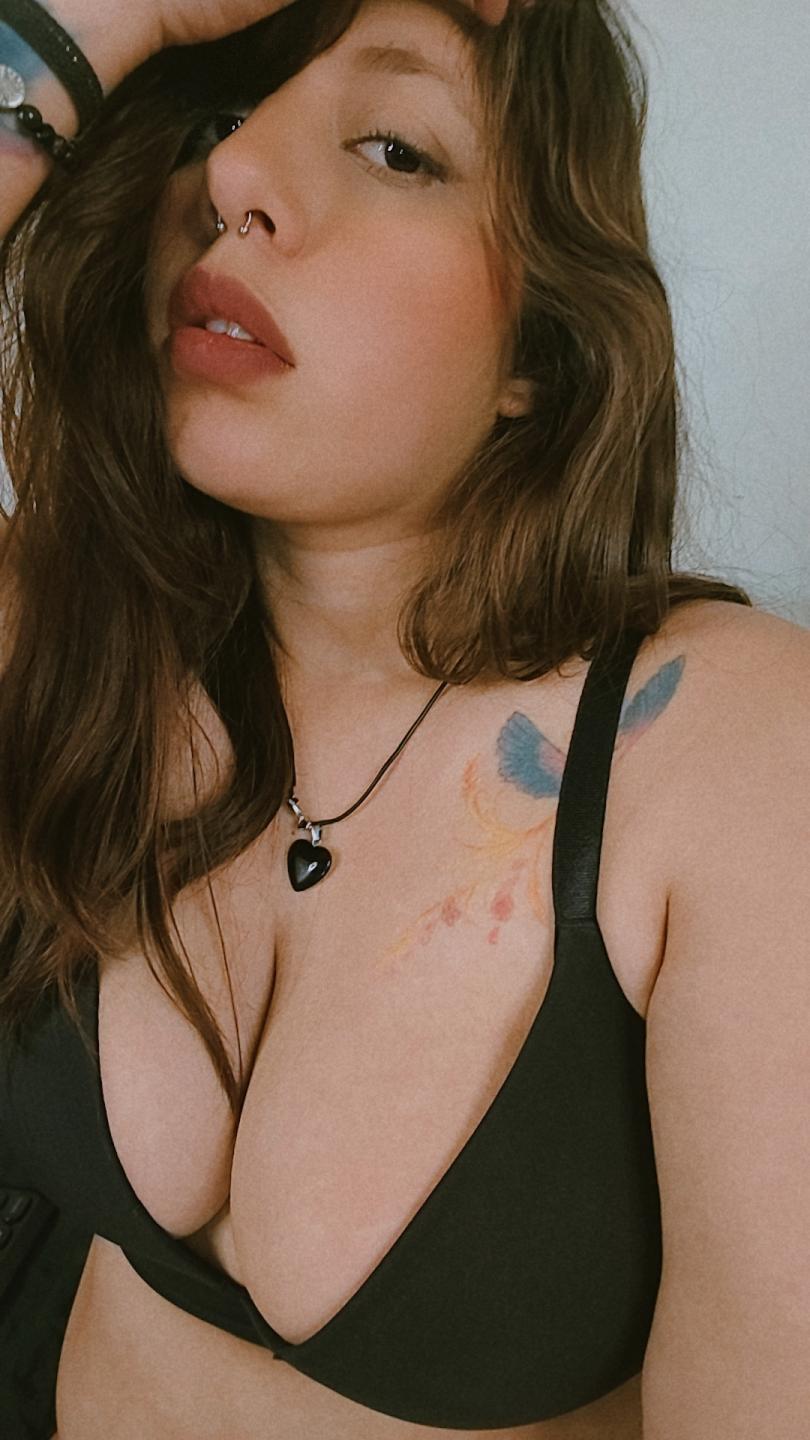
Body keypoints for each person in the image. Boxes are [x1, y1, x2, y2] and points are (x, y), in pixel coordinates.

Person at [1, 1, 808, 1438]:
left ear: (541, 347)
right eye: (216, 121)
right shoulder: (65, 632)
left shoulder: (725, 748)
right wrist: (88, 26)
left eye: (394, 149)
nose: (233, 174)